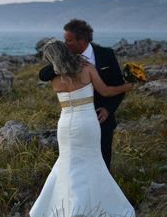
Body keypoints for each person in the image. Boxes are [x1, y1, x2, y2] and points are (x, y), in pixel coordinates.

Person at [27, 40, 135, 217]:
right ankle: (94, 211)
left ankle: (61, 213)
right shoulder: (87, 69)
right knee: (93, 161)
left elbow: (47, 72)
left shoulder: (55, 80)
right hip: (87, 122)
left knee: (67, 165)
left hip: (65, 124)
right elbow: (106, 91)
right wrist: (127, 86)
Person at [39, 19, 125, 170]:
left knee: (102, 164)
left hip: (101, 119)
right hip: (73, 122)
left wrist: (108, 109)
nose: (65, 44)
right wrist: (65, 64)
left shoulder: (106, 55)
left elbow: (117, 86)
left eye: (69, 40)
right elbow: (43, 74)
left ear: (82, 40)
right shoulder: (64, 59)